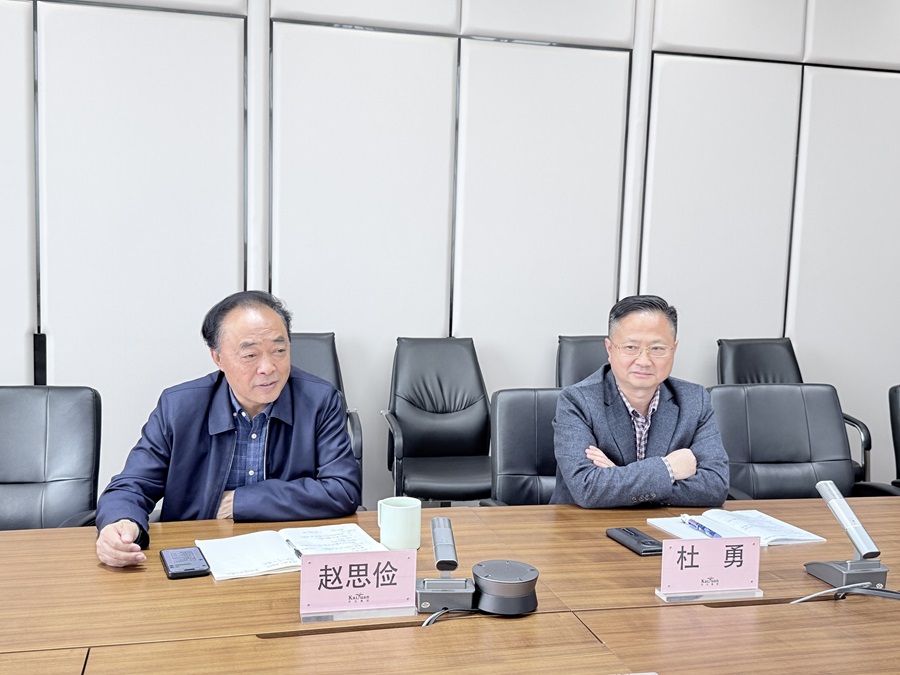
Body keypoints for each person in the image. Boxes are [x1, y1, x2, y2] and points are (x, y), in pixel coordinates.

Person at [96, 291, 361, 567]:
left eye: (279, 351)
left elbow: (342, 489)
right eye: (250, 355)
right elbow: (131, 486)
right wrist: (121, 523)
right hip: (197, 551)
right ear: (218, 358)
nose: (268, 367)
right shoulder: (179, 407)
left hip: (287, 557)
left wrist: (240, 502)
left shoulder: (320, 401)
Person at [551, 295, 728, 509]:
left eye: (657, 348)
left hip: (663, 525)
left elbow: (715, 486)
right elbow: (587, 488)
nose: (644, 361)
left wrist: (617, 478)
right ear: (609, 349)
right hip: (587, 526)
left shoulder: (695, 400)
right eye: (631, 347)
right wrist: (668, 468)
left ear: (674, 349)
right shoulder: (577, 401)